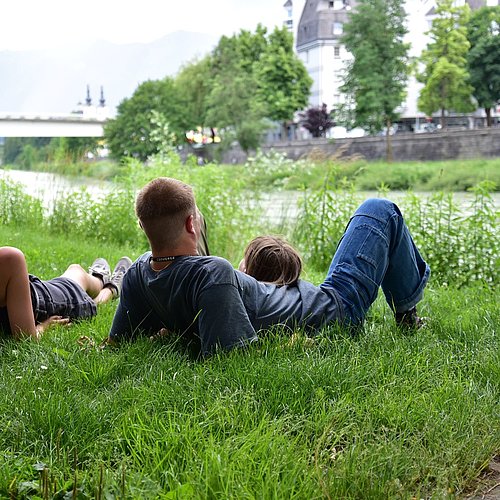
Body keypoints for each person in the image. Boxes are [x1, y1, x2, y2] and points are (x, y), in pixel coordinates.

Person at [108, 177, 430, 356]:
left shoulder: (138, 273)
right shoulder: (213, 273)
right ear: (192, 224)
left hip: (296, 296)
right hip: (336, 310)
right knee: (380, 209)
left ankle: (406, 311)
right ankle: (407, 313)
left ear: (142, 226)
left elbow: (118, 343)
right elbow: (230, 358)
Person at [0, 247, 132, 339]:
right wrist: (45, 326)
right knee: (89, 300)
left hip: (38, 292)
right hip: (49, 302)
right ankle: (111, 287)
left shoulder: (9, 258)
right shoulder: (10, 257)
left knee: (76, 271)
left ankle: (99, 277)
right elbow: (26, 338)